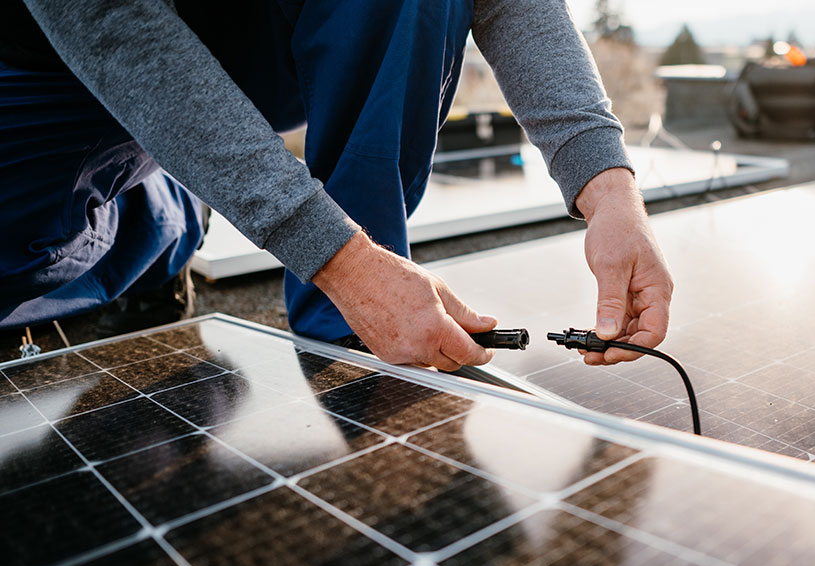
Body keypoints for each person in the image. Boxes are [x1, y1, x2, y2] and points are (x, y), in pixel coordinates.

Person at [0, 0, 673, 370]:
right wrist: (330, 252)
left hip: (240, 33)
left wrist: (609, 189)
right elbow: (113, 26)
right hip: (43, 59)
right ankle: (160, 212)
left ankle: (348, 330)